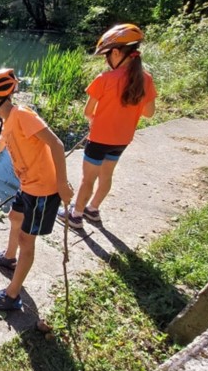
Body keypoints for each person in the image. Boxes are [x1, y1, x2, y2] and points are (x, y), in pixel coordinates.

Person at [0, 69, 73, 312]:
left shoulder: (23, 115)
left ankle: (12, 296)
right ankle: (8, 257)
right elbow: (1, 145)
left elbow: (56, 143)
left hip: (43, 190)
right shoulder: (6, 122)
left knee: (27, 240)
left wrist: (62, 184)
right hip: (27, 185)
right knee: (14, 217)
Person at [58, 23, 157, 230]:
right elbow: (149, 113)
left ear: (116, 52)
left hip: (100, 139)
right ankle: (92, 209)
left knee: (87, 179)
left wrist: (96, 120)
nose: (106, 60)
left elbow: (87, 112)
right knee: (107, 175)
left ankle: (75, 216)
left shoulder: (104, 79)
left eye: (107, 55)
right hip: (122, 140)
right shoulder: (146, 79)